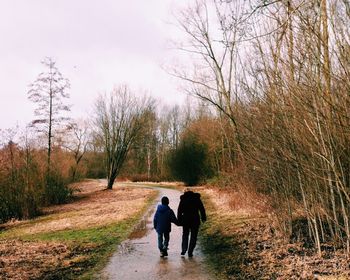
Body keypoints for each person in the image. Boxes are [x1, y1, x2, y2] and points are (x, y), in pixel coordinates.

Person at [177, 190, 206, 257]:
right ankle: (190, 251)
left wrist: (179, 219)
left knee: (185, 235)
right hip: (195, 219)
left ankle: (184, 249)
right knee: (194, 236)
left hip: (185, 219)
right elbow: (202, 209)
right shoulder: (196, 199)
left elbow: (179, 210)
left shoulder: (183, 199)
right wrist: (203, 217)